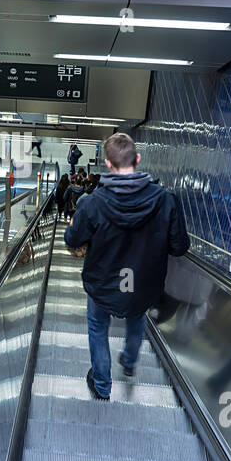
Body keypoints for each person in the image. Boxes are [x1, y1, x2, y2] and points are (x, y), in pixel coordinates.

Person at [63, 133, 190, 400]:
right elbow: (179, 247)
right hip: (142, 284)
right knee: (136, 318)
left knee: (98, 327)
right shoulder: (166, 200)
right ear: (138, 159)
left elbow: (72, 240)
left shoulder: (91, 203)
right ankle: (130, 363)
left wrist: (77, 227)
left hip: (103, 284)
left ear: (108, 164)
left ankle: (102, 384)